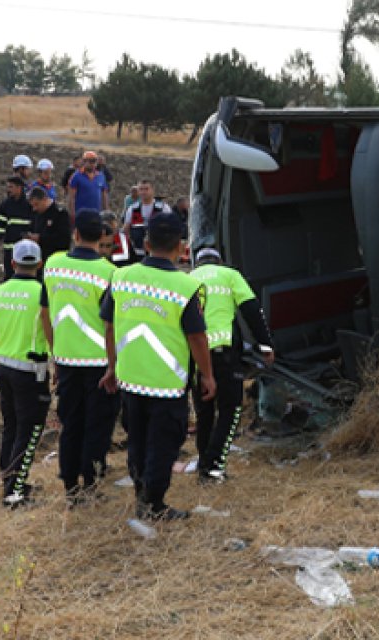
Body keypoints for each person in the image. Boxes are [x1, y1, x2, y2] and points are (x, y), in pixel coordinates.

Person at [100, 213, 215, 521]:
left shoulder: (121, 277)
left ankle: (142, 493)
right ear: (181, 248)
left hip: (130, 379)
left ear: (146, 243)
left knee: (136, 439)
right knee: (163, 444)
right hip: (167, 384)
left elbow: (109, 327)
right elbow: (197, 337)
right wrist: (207, 374)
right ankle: (153, 503)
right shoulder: (186, 286)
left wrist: (111, 368)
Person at [41, 211, 119, 506]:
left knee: (70, 423)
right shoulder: (109, 273)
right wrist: (114, 365)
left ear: (75, 234)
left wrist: (55, 354)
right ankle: (91, 481)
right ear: (101, 237)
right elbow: (111, 326)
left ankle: (70, 483)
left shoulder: (53, 264)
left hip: (66, 360)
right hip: (99, 363)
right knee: (97, 425)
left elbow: (45, 314)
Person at [188, 248, 274, 484]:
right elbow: (252, 310)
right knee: (231, 408)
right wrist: (265, 344)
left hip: (194, 354)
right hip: (222, 353)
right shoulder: (229, 275)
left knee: (204, 412)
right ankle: (214, 468)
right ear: (220, 261)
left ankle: (204, 466)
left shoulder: (187, 279)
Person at [0, 240, 50, 507]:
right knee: (30, 431)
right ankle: (15, 492)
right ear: (40, 264)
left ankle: (9, 480)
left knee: (11, 426)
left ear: (12, 263)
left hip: (5, 369)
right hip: (33, 371)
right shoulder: (43, 294)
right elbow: (50, 331)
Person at [0, 177, 37, 279]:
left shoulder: (28, 205)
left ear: (19, 188)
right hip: (9, 248)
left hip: (25, 248)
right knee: (9, 274)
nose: (8, 190)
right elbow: (0, 223)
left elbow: (35, 223)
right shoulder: (5, 205)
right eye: (8, 187)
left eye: (11, 187)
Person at [125, 180, 172, 258]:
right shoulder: (132, 209)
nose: (143, 192)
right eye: (141, 189)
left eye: (146, 189)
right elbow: (126, 229)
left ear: (152, 190)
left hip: (158, 252)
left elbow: (171, 229)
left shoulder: (164, 208)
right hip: (138, 253)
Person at [30, 188, 71, 260]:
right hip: (39, 259)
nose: (34, 208)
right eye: (33, 206)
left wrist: (41, 238)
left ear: (44, 199)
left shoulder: (60, 214)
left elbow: (64, 240)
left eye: (36, 204)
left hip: (56, 259)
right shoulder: (36, 214)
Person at [67, 151, 108, 217]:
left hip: (96, 215)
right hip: (81, 215)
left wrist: (106, 212)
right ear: (84, 162)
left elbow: (104, 196)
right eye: (90, 161)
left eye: (94, 161)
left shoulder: (101, 176)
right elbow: (71, 197)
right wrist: (72, 214)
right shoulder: (76, 176)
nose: (92, 164)